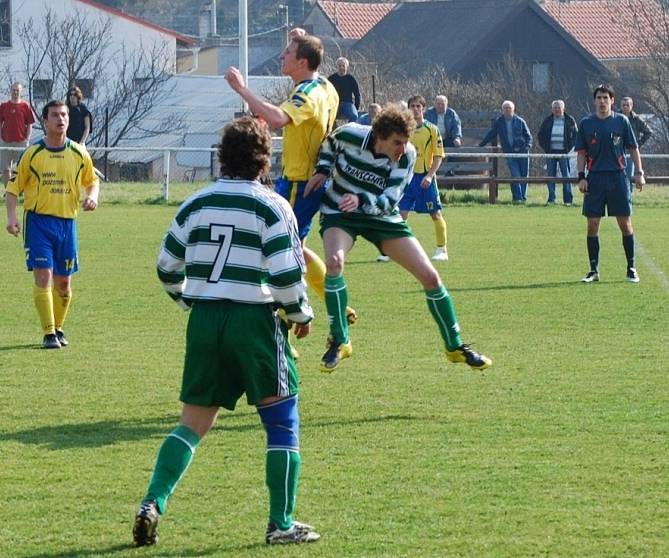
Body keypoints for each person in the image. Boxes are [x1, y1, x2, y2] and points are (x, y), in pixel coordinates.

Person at [132, 117, 319, 547]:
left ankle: (152, 501)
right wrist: (301, 315)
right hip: (254, 321)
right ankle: (281, 524)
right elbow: (288, 274)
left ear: (222, 156)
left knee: (192, 425)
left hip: (205, 322)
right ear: (263, 158)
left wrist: (190, 303)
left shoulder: (195, 203)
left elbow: (166, 268)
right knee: (282, 422)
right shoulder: (272, 206)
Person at [303, 104, 492, 373]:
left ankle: (455, 347)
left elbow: (391, 199)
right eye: (397, 142)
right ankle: (340, 341)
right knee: (334, 263)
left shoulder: (407, 156)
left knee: (431, 277)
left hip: (382, 216)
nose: (402, 148)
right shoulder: (350, 134)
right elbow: (329, 145)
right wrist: (322, 170)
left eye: (405, 142)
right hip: (340, 213)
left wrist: (360, 199)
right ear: (379, 134)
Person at [224, 29, 357, 340]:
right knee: (297, 247)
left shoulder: (307, 94)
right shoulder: (325, 85)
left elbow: (278, 119)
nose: (282, 56)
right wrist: (306, 36)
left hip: (300, 182)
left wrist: (242, 89)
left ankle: (296, 313)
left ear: (302, 62)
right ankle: (338, 307)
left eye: (287, 52)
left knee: (279, 250)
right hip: (305, 180)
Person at [4, 100, 99, 349]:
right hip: (39, 223)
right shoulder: (32, 154)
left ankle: (57, 328)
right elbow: (12, 189)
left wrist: (92, 196)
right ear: (45, 121)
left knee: (64, 283)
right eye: (55, 115)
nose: (61, 119)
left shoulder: (79, 153)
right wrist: (11, 218)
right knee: (44, 276)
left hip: (68, 225)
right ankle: (48, 334)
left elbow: (92, 181)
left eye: (64, 115)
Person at [575, 84, 645, 284]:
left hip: (618, 178)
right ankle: (593, 270)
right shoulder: (586, 123)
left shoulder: (622, 121)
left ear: (612, 100)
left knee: (624, 223)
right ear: (594, 100)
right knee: (592, 224)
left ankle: (631, 268)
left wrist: (639, 173)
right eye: (599, 97)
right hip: (595, 179)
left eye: (606, 97)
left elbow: (633, 148)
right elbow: (581, 153)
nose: (602, 101)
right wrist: (581, 177)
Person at [399, 95, 449, 261]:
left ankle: (442, 249)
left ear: (423, 109)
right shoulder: (404, 130)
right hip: (408, 179)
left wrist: (429, 176)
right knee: (400, 215)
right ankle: (396, 251)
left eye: (418, 106)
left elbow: (438, 156)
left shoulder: (432, 129)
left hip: (424, 179)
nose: (415, 109)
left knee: (435, 214)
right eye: (412, 106)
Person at [479, 100, 532, 203]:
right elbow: (491, 134)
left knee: (524, 175)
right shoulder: (499, 122)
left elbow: (528, 136)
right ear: (502, 110)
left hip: (523, 152)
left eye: (509, 108)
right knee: (515, 175)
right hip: (509, 152)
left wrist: (527, 146)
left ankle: (523, 198)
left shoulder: (520, 121)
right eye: (505, 108)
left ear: (513, 109)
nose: (507, 110)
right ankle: (517, 198)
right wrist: (482, 144)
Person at [537, 100, 578, 205]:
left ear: (563, 108)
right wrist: (546, 147)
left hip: (564, 153)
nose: (557, 109)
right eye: (555, 108)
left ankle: (568, 200)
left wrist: (569, 147)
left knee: (566, 176)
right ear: (552, 109)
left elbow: (576, 135)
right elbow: (540, 135)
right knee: (551, 176)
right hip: (550, 152)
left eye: (558, 107)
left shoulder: (569, 120)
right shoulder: (547, 121)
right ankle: (552, 199)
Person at [0, 82, 35, 185]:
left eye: (17, 90)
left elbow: (29, 124)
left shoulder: (25, 106)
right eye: (14, 90)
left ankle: (16, 190)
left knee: (19, 169)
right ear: (10, 91)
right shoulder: (4, 106)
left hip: (21, 143)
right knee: (6, 169)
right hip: (5, 142)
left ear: (20, 92)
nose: (15, 92)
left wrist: (27, 139)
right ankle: (8, 191)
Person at [620, 96, 652, 193]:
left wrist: (639, 143)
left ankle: (628, 197)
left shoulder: (636, 119)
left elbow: (649, 132)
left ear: (631, 106)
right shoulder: (616, 118)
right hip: (618, 151)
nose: (625, 107)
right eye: (623, 105)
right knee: (618, 176)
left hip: (631, 151)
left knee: (629, 176)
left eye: (627, 105)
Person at [328, 56, 361, 123]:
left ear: (347, 67)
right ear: (337, 66)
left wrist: (356, 108)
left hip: (347, 104)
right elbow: (326, 93)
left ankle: (347, 130)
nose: (341, 67)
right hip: (335, 104)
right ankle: (335, 131)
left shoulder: (351, 79)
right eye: (339, 65)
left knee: (354, 116)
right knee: (328, 117)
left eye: (343, 65)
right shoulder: (331, 79)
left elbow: (357, 94)